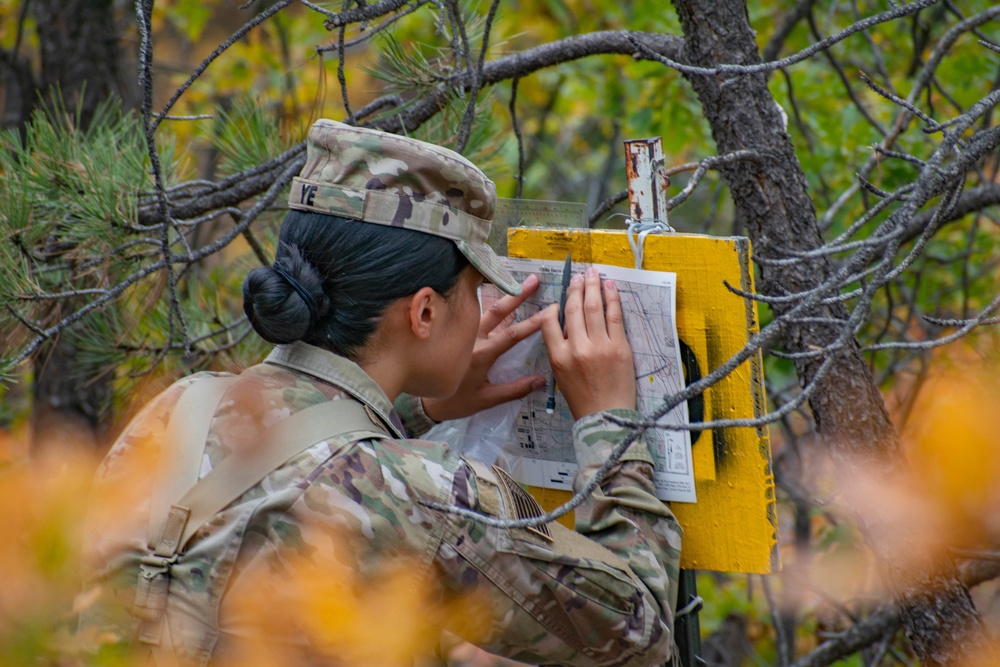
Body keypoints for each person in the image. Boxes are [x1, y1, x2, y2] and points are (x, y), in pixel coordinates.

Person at [80, 119, 682, 667]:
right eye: (473, 292)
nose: (481, 313)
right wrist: (611, 422)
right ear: (423, 312)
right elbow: (638, 634)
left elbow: (302, 464)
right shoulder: (426, 494)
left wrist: (416, 406)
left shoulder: (179, 405)